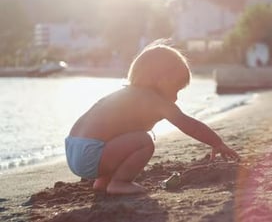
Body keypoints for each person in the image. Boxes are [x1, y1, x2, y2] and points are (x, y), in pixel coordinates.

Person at [65, 39, 239, 195]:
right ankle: (119, 182)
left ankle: (103, 182)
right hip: (91, 153)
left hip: (74, 147)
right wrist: (217, 142)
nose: (176, 98)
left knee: (122, 138)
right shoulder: (155, 100)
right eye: (176, 89)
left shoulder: (126, 95)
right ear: (161, 80)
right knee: (143, 141)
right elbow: (189, 124)